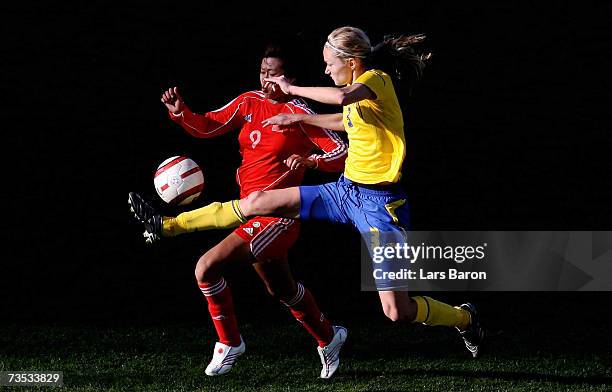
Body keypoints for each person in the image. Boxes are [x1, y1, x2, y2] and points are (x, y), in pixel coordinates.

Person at [130, 26, 484, 359]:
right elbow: (344, 120)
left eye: (330, 65)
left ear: (351, 62)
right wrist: (296, 120)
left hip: (380, 206)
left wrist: (293, 93)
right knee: (256, 203)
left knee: (397, 311)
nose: (327, 71)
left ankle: (463, 319)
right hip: (345, 192)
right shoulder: (357, 95)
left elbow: (343, 97)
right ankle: (168, 225)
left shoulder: (376, 80)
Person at [129, 43, 349, 378]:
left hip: (280, 216)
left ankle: (230, 342)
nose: (265, 78)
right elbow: (209, 126)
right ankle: (329, 338)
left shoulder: (301, 114)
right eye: (262, 71)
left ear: (290, 78)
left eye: (272, 73)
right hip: (248, 208)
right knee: (282, 289)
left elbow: (341, 153)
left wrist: (310, 160)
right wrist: (181, 112)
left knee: (206, 267)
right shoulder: (249, 101)